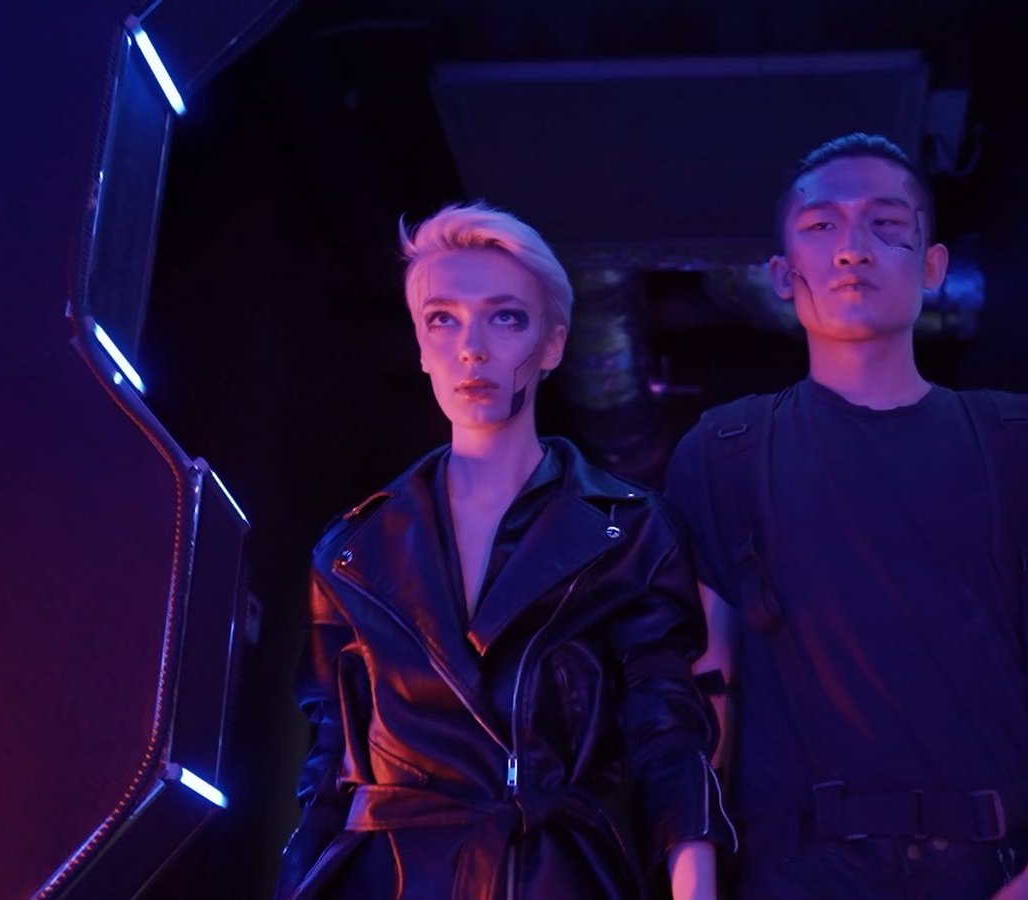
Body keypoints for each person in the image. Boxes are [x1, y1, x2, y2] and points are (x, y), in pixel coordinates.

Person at [663, 134, 1028, 899]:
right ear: (782, 274)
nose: (852, 247)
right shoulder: (725, 453)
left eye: (886, 223)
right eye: (821, 225)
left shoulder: (1023, 441)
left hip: (1004, 869)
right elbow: (702, 697)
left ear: (932, 264)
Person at [276, 202, 734, 899]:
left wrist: (693, 884)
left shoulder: (631, 533)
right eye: (443, 319)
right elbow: (327, 769)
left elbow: (666, 732)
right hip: (385, 879)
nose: (472, 348)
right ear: (420, 345)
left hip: (548, 875)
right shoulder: (351, 551)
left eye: (507, 318)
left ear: (552, 345)